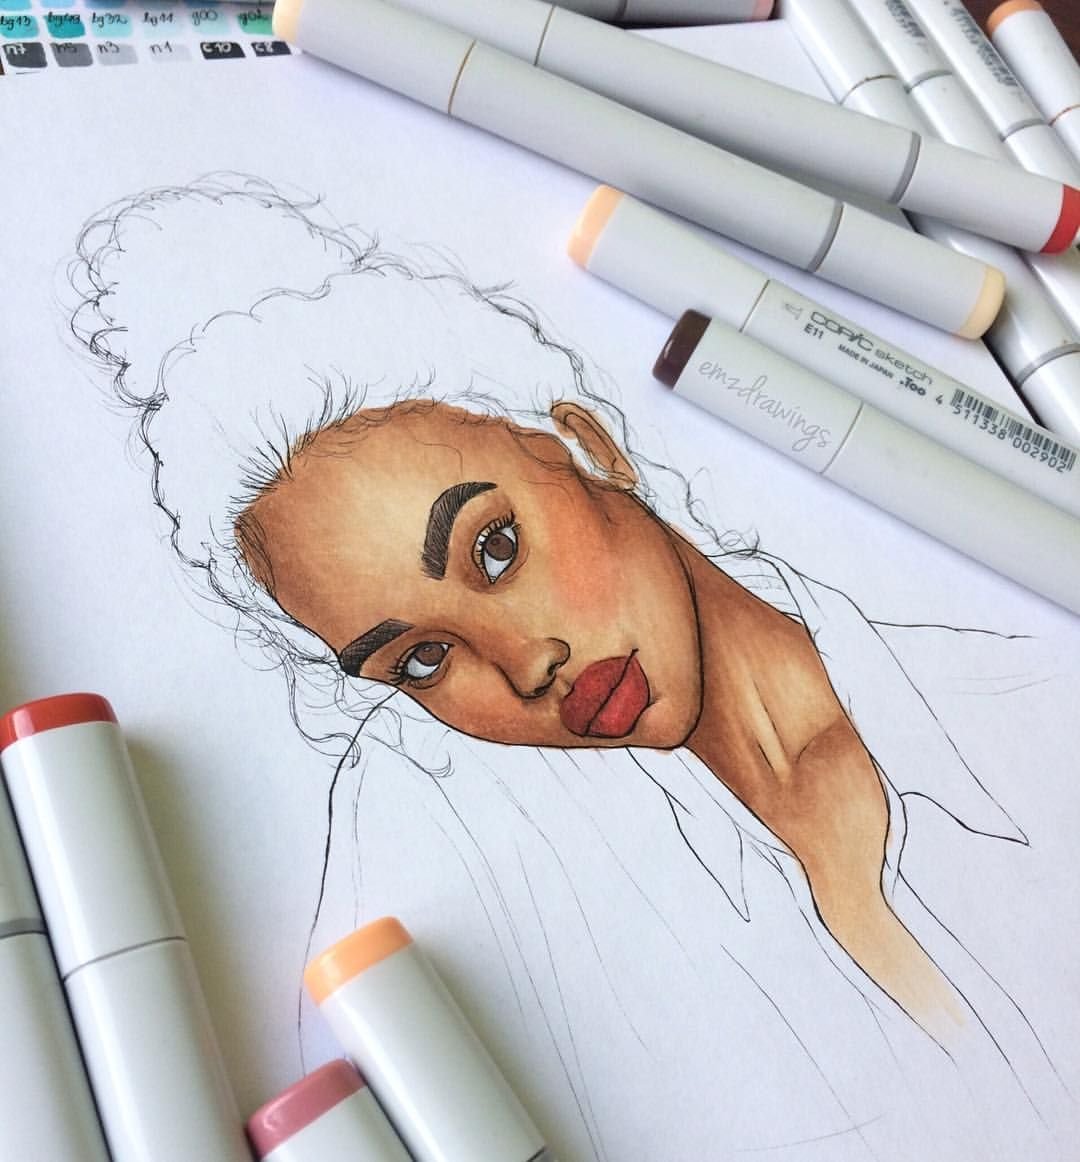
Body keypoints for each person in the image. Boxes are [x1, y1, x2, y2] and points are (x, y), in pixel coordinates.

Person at [68, 174, 1071, 1161]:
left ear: (588, 445)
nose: (529, 667)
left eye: (496, 547)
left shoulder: (1017, 687)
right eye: (424, 658)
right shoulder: (535, 925)